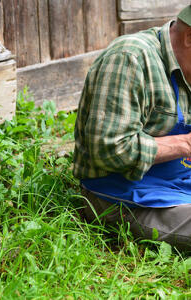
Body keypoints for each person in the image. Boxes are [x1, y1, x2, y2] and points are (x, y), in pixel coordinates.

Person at [73, 5, 191, 250]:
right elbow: (109, 149)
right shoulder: (130, 58)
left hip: (178, 182)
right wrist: (185, 143)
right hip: (122, 194)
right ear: (189, 38)